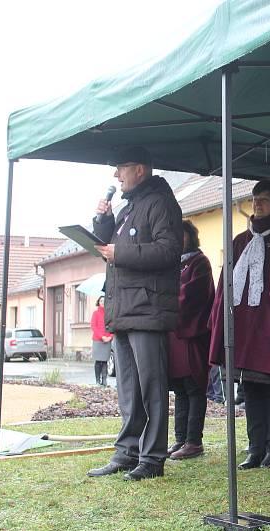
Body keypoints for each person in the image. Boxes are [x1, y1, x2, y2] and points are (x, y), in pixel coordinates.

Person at [88, 146, 184, 481]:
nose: (116, 175)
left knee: (151, 387)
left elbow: (169, 250)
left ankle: (153, 458)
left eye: (121, 168)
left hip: (148, 308)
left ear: (139, 170)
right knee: (128, 387)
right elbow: (111, 252)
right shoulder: (130, 208)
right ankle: (127, 452)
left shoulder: (161, 203)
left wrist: (121, 252)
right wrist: (103, 221)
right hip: (125, 309)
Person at [209, 178, 270, 470]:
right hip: (245, 326)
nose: (257, 205)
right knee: (250, 390)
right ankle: (254, 446)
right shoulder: (240, 241)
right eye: (255, 199)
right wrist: (219, 321)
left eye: (264, 200)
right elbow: (225, 287)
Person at [167, 220, 215, 460]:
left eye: (183, 236)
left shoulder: (199, 263)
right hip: (174, 337)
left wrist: (167, 306)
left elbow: (192, 297)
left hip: (192, 336)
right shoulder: (173, 264)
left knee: (194, 389)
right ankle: (180, 439)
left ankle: (194, 441)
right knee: (180, 390)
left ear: (191, 237)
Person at [90, 296, 112, 386]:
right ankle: (97, 381)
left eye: (104, 301)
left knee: (105, 361)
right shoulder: (95, 313)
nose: (102, 302)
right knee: (98, 361)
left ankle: (104, 380)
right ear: (98, 302)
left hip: (107, 340)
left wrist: (110, 337)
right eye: (101, 300)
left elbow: (112, 326)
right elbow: (93, 326)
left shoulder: (109, 314)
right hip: (98, 340)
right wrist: (101, 336)